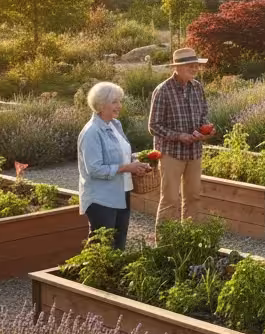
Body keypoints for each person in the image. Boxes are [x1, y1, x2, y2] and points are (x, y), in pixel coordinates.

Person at [77, 81, 152, 251]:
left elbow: (122, 154)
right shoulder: (91, 132)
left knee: (119, 244)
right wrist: (126, 168)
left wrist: (137, 162)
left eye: (120, 101)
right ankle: (92, 278)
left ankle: (114, 277)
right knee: (101, 247)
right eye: (114, 102)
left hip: (121, 191)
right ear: (101, 105)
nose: (120, 106)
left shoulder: (115, 125)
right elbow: (95, 169)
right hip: (101, 198)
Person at [147, 47, 213, 229]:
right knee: (170, 199)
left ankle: (191, 241)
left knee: (193, 197)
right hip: (171, 153)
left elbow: (203, 115)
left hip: (194, 151)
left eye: (196, 66)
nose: (194, 69)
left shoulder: (197, 88)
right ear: (176, 67)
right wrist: (179, 136)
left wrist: (205, 130)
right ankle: (165, 245)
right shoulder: (163, 91)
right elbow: (153, 126)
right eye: (189, 66)